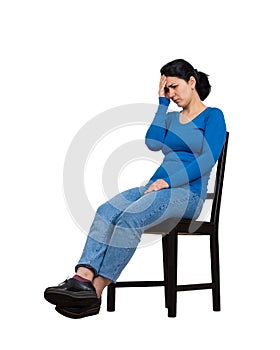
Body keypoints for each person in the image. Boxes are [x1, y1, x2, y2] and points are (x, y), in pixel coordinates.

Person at [44, 58, 227, 319]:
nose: (171, 94)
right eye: (167, 90)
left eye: (174, 88)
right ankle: (82, 279)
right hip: (156, 188)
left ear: (192, 82)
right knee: (106, 211)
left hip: (187, 195)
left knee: (131, 217)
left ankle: (95, 292)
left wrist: (169, 182)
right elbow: (152, 142)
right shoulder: (172, 117)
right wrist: (161, 104)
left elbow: (208, 159)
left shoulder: (213, 116)